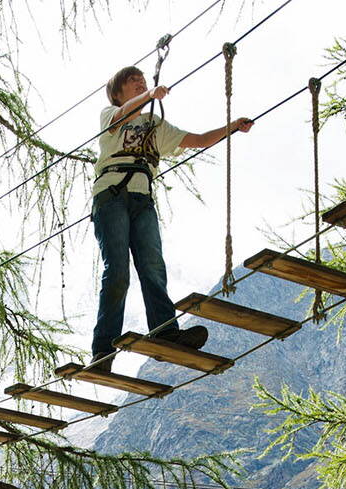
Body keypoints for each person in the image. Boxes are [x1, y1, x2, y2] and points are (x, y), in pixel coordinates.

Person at [89, 66, 253, 370]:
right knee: (118, 273)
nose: (140, 83)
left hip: (142, 198)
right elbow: (124, 113)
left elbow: (199, 140)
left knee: (152, 266)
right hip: (111, 195)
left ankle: (165, 333)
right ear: (118, 93)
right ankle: (103, 350)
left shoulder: (156, 124)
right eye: (132, 81)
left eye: (142, 80)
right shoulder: (109, 116)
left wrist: (231, 127)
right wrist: (150, 94)